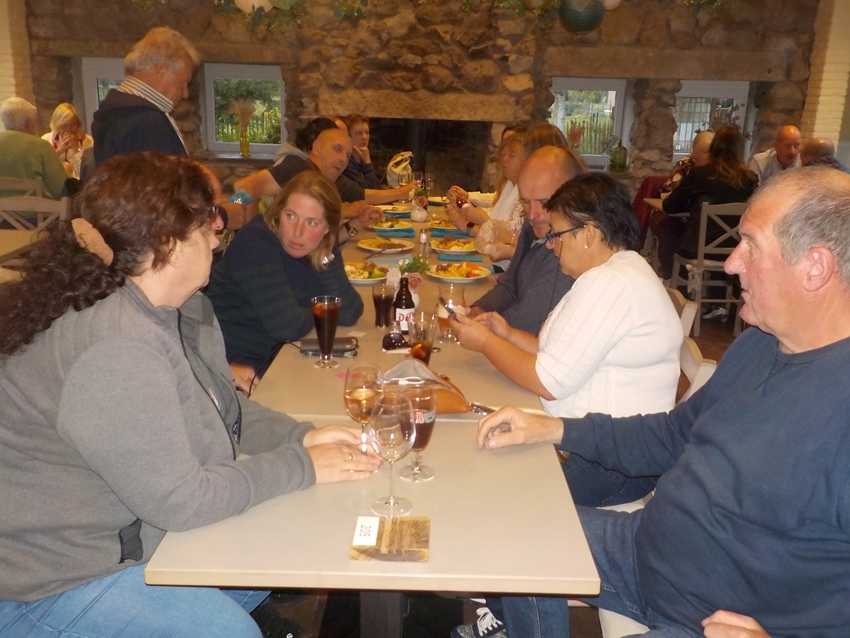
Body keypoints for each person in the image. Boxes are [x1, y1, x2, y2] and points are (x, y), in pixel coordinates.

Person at [0, 152, 381, 638]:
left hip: (125, 533)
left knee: (283, 545)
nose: (219, 234)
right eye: (207, 225)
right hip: (50, 580)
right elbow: (181, 501)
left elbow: (223, 410)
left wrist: (302, 437)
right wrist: (303, 466)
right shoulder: (115, 346)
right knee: (233, 632)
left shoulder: (173, 309)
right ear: (168, 244)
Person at [467, 166, 850, 638]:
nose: (731, 263)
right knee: (511, 524)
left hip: (708, 621)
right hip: (644, 548)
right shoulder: (759, 345)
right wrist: (556, 429)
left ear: (815, 267)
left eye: (751, 245)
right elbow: (671, 436)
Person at [453, 172, 681, 507]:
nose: (551, 245)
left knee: (484, 486)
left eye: (557, 235)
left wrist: (485, 342)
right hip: (592, 447)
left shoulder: (610, 284)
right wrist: (507, 334)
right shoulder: (612, 273)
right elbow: (555, 353)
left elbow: (548, 381)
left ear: (588, 234)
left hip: (610, 465)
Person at [207, 170, 364, 381]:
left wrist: (325, 256)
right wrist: (324, 310)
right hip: (236, 368)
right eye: (291, 216)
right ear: (278, 212)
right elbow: (287, 326)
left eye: (312, 222)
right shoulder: (256, 244)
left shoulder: (320, 244)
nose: (297, 232)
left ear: (328, 228)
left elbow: (349, 312)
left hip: (281, 356)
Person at [466, 145, 585, 335]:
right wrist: (479, 309)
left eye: (544, 202)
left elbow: (529, 322)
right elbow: (509, 287)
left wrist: (482, 327)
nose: (532, 214)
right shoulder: (532, 227)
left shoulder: (567, 248)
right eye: (525, 202)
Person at [446, 124, 569, 269]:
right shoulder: (513, 187)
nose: (504, 160)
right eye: (503, 154)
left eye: (513, 154)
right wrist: (466, 224)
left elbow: (519, 247)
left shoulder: (556, 209)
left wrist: (478, 222)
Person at [660, 126, 758, 283]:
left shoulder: (700, 174)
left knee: (670, 230)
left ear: (714, 148)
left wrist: (693, 206)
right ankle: (720, 293)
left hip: (697, 250)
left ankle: (678, 287)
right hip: (734, 250)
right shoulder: (750, 179)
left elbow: (670, 206)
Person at [92, 27, 199, 165]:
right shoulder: (145, 123)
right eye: (183, 82)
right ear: (161, 70)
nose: (185, 93)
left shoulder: (119, 110)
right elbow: (163, 179)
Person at [0, 97, 70, 200]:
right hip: (38, 210)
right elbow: (62, 190)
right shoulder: (41, 146)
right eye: (35, 121)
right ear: (28, 124)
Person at [41, 102, 93, 179]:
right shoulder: (46, 139)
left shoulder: (87, 140)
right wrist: (59, 150)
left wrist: (77, 148)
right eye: (64, 125)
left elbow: (88, 169)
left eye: (72, 125)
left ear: (78, 125)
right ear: (57, 126)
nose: (68, 129)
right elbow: (42, 167)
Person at [341, 113, 382, 189]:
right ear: (348, 137)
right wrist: (368, 162)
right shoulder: (346, 163)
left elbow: (377, 187)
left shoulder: (361, 159)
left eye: (367, 132)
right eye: (358, 133)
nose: (364, 137)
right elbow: (369, 190)